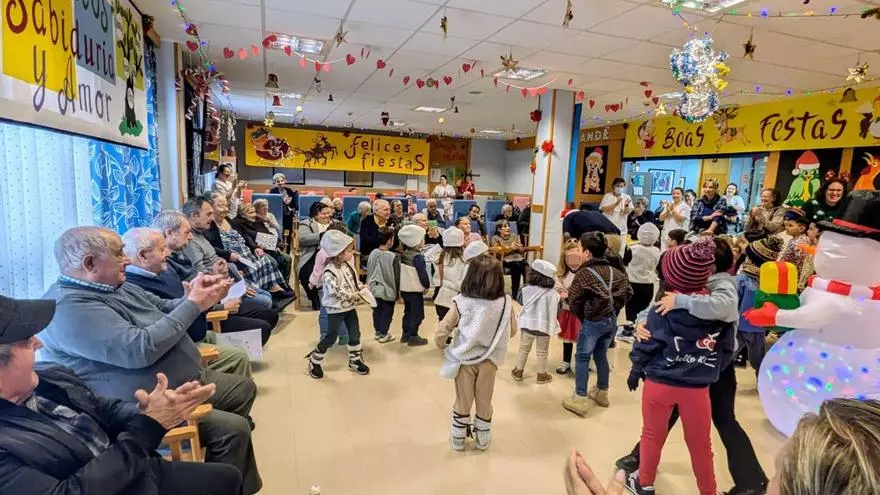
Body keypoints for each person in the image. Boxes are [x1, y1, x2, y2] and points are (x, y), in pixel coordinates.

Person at [38, 227, 262, 493]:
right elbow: (140, 349)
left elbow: (165, 308)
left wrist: (196, 297)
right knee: (233, 430)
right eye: (118, 253)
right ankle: (221, 480)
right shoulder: (68, 309)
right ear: (90, 263)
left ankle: (223, 475)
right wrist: (192, 305)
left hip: (182, 380)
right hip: (142, 405)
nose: (127, 259)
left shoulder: (115, 286)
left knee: (243, 389)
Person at [0, 295, 245, 495]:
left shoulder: (50, 375)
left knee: (227, 478)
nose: (39, 344)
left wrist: (151, 409)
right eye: (26, 340)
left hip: (133, 466)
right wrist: (148, 427)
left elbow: (103, 408)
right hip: (117, 476)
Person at [615, 236, 767, 495]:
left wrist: (681, 302)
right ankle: (642, 463)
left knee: (721, 420)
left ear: (710, 265)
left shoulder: (722, 283)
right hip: (684, 367)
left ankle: (751, 480)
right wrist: (642, 324)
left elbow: (725, 309)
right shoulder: (685, 279)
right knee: (668, 421)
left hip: (711, 367)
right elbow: (655, 308)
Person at [121, 227, 257, 376]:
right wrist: (206, 302)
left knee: (247, 343)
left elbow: (179, 303)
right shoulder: (134, 285)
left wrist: (202, 294)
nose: (167, 253)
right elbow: (166, 322)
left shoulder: (164, 270)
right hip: (182, 343)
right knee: (239, 356)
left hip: (198, 331)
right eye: (162, 249)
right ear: (143, 256)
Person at [153, 210, 278, 345]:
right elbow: (185, 306)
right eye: (187, 232)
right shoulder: (165, 268)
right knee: (263, 323)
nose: (190, 237)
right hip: (204, 318)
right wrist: (222, 306)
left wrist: (217, 277)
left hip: (210, 305)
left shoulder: (180, 255)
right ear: (169, 233)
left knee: (269, 313)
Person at [435, 255, 517, 451]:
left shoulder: (461, 301)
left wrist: (440, 343)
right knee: (484, 399)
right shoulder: (505, 303)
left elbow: (444, 327)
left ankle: (458, 437)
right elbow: (512, 331)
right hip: (490, 361)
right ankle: (482, 437)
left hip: (464, 360)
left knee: (463, 399)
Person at [563, 232, 631, 416]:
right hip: (611, 320)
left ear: (587, 252)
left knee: (582, 356)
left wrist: (584, 313)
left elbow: (574, 299)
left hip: (592, 321)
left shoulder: (584, 273)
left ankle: (580, 397)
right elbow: (628, 292)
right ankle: (602, 392)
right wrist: (613, 307)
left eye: (579, 249)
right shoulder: (617, 272)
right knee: (601, 355)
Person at [180, 197, 278, 317]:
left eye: (226, 205)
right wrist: (230, 285)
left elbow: (245, 237)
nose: (212, 218)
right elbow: (200, 275)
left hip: (229, 276)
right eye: (209, 214)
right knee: (266, 301)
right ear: (194, 216)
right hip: (221, 285)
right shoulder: (191, 241)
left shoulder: (204, 232)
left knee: (267, 294)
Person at [306, 230, 371, 379]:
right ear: (339, 253)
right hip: (336, 309)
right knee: (331, 336)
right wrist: (353, 295)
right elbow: (335, 291)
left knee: (355, 333)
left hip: (350, 307)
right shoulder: (329, 272)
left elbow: (353, 281)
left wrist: (361, 287)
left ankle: (354, 360)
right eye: (349, 250)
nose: (352, 253)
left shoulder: (347, 266)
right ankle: (315, 360)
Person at [209, 194, 291, 297]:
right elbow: (253, 236)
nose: (265, 208)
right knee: (276, 261)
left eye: (226, 205)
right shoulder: (239, 223)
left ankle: (278, 287)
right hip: (242, 253)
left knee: (281, 259)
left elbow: (272, 230)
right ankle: (269, 290)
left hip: (255, 248)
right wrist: (275, 244)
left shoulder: (260, 219)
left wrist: (272, 241)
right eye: (251, 212)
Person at [736, 234, 784, 375]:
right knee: (759, 360)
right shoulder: (771, 283)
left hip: (739, 325)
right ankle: (763, 381)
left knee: (728, 355)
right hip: (760, 328)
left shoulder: (742, 280)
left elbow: (734, 302)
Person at [511, 259, 560, 385]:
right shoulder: (553, 294)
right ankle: (541, 375)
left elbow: (520, 301)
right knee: (542, 352)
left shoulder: (526, 289)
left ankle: (518, 371)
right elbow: (557, 310)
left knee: (523, 349)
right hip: (544, 327)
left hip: (528, 324)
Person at [308, 222, 353, 345]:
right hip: (342, 288)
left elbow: (317, 271)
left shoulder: (322, 252)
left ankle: (324, 335)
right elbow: (351, 271)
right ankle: (344, 336)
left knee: (324, 313)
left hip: (324, 288)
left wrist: (312, 283)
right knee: (342, 312)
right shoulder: (347, 254)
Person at [619, 223, 661, 342]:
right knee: (643, 308)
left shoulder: (632, 249)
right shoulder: (657, 251)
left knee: (630, 307)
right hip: (648, 284)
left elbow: (625, 263)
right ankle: (640, 329)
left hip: (632, 283)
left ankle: (628, 330)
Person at [232, 203, 292, 280]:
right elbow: (246, 240)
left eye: (254, 212)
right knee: (273, 262)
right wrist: (256, 247)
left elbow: (268, 233)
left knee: (287, 259)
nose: (254, 215)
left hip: (268, 248)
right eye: (250, 213)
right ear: (242, 215)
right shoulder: (238, 224)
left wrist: (277, 245)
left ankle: (283, 283)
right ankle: (274, 284)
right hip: (252, 251)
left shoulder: (257, 221)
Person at [555, 239, 585, 375]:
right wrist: (561, 290)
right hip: (567, 310)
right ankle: (566, 361)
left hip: (581, 311)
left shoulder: (585, 272)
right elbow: (557, 284)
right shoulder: (562, 273)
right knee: (567, 338)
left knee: (581, 337)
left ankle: (579, 362)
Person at [298, 201, 334, 310]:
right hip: (313, 253)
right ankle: (314, 297)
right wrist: (321, 235)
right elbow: (303, 239)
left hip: (332, 253)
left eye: (328, 213)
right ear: (315, 215)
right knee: (306, 272)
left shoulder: (335, 223)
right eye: (323, 213)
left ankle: (333, 297)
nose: (327, 216)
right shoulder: (306, 223)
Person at [398, 225, 431, 346]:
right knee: (417, 314)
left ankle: (405, 334)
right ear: (416, 241)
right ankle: (413, 336)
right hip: (415, 290)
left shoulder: (404, 254)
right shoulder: (418, 257)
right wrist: (426, 286)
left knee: (407, 312)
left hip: (404, 289)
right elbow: (422, 274)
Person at [367, 228, 399, 344]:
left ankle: (378, 332)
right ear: (390, 240)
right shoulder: (393, 256)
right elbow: (396, 276)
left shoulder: (373, 253)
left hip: (373, 288)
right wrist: (397, 292)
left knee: (376, 311)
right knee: (387, 312)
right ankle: (384, 333)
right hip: (387, 289)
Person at [434, 228, 466, 321]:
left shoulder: (439, 256)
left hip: (441, 298)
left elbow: (437, 280)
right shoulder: (465, 259)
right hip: (459, 299)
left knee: (443, 325)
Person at [490, 219, 527, 298]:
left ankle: (526, 293)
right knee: (517, 267)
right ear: (499, 229)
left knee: (527, 267)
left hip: (518, 258)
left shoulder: (514, 236)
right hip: (504, 260)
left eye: (508, 226)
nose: (508, 228)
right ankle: (515, 294)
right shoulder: (495, 238)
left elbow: (521, 250)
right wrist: (511, 248)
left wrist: (519, 248)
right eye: (505, 226)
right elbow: (498, 253)